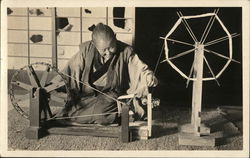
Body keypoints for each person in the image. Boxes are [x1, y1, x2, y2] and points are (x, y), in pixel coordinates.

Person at [53, 23, 158, 125]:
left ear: (115, 38)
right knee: (73, 109)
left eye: (112, 47)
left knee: (102, 113)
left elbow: (139, 67)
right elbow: (70, 70)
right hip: (87, 97)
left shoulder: (126, 51)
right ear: (94, 44)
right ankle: (97, 116)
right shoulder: (86, 50)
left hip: (110, 97)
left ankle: (101, 116)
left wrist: (148, 76)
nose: (108, 53)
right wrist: (54, 84)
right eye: (104, 50)